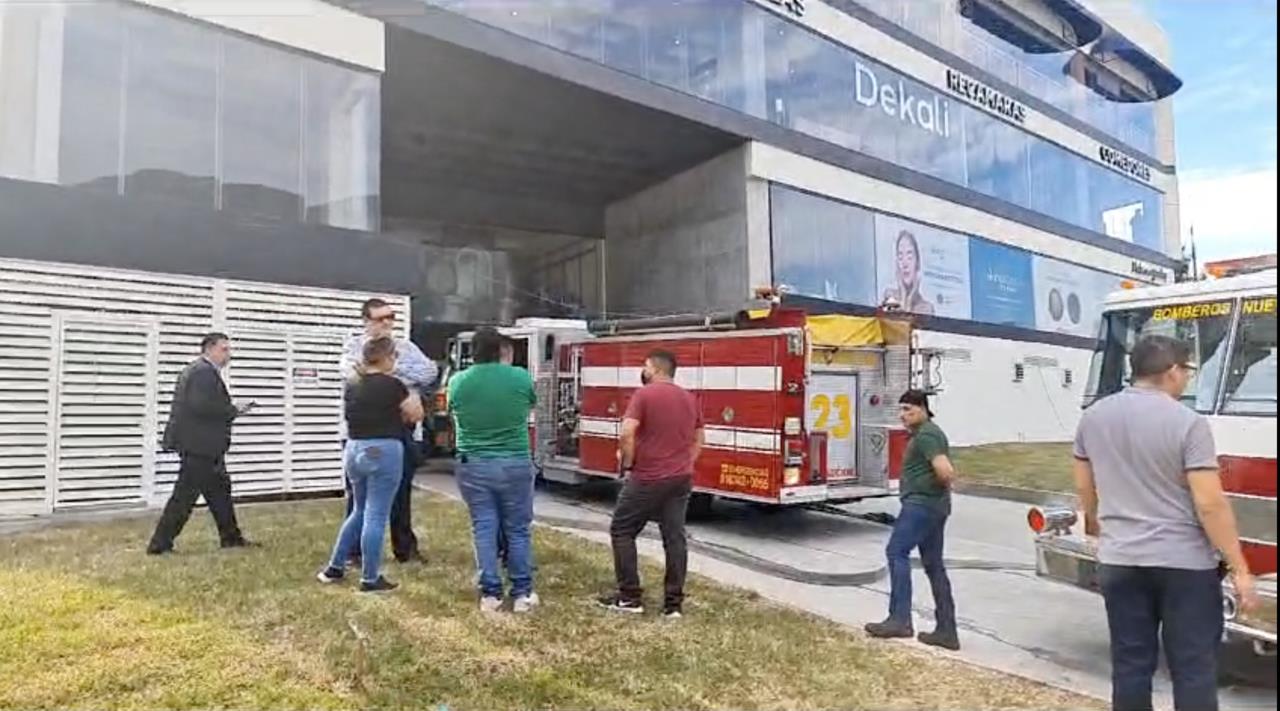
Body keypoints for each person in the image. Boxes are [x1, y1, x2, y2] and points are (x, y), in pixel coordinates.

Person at [1073, 335, 1259, 711]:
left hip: (1121, 560)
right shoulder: (1188, 423)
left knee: (1130, 665)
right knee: (1192, 668)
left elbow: (1084, 486)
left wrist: (1098, 525)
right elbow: (1209, 504)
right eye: (1188, 370)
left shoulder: (1093, 418)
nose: (1188, 378)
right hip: (1183, 566)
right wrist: (1239, 567)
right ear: (1173, 371)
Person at [598, 350, 704, 619]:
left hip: (647, 476)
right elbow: (700, 437)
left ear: (655, 369)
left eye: (645, 367)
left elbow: (627, 432)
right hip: (680, 478)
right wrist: (685, 462)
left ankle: (630, 596)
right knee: (674, 538)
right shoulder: (689, 398)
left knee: (622, 530)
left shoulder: (644, 394)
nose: (642, 371)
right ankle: (673, 605)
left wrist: (629, 463)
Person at [317, 337, 424, 592]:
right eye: (394, 357)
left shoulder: (353, 385)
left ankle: (335, 567)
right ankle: (370, 577)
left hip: (354, 449)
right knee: (376, 514)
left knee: (359, 510)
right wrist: (414, 396)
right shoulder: (394, 385)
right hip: (384, 449)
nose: (396, 361)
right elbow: (415, 414)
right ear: (386, 357)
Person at [338, 298, 437, 564]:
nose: (387, 323)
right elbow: (352, 374)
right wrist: (397, 376)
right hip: (362, 432)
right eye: (380, 318)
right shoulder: (353, 346)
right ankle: (353, 553)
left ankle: (405, 548)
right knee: (359, 498)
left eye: (390, 317)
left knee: (401, 493)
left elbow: (429, 372)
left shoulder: (405, 347)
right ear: (366, 321)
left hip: (400, 430)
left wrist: (391, 369)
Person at [448, 328, 539, 613]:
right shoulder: (520, 377)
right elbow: (530, 403)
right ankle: (522, 592)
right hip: (515, 461)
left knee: (484, 527)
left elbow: (453, 412)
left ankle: (490, 593)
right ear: (501, 350)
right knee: (517, 529)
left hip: (473, 463)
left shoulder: (458, 381)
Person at [865, 390, 958, 650]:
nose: (903, 415)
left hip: (922, 506)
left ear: (923, 409)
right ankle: (947, 631)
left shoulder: (927, 435)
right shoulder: (927, 433)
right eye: (901, 410)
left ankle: (900, 619)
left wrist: (929, 491)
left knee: (896, 552)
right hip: (934, 507)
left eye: (909, 409)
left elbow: (945, 471)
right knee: (933, 565)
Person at [148, 333, 254, 554]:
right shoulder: (202, 373)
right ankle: (160, 544)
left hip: (203, 446)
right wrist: (234, 410)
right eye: (224, 349)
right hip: (199, 447)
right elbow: (202, 407)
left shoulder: (199, 371)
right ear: (210, 349)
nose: (229, 355)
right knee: (184, 497)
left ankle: (231, 537)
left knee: (220, 492)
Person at [881, 230, 935, 316]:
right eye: (900, 257)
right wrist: (903, 294)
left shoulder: (926, 308)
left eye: (909, 257)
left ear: (917, 263)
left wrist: (910, 299)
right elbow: (895, 326)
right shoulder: (889, 296)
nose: (905, 264)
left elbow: (907, 327)